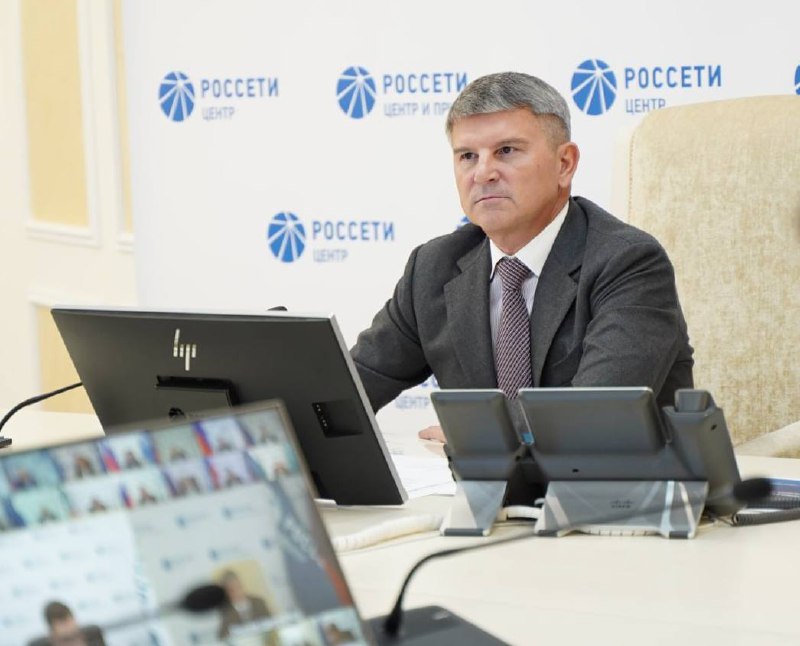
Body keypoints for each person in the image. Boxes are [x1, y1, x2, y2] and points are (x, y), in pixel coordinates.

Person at [350, 71, 693, 442]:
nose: (483, 173)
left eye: (506, 151)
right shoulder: (434, 267)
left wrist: (480, 434)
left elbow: (598, 414)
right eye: (468, 156)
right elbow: (349, 389)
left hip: (615, 478)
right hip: (483, 481)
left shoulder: (628, 263)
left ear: (565, 164)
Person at [217, 570, 271, 639]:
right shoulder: (226, 611)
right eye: (231, 590)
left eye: (237, 587)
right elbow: (222, 636)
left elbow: (272, 623)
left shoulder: (258, 602)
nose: (237, 592)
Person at [29, 601, 106, 646]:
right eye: (62, 623)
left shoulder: (93, 635)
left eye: (68, 621)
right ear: (52, 629)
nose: (68, 627)